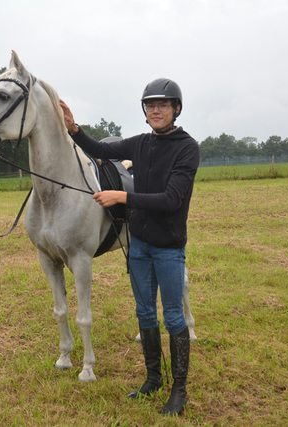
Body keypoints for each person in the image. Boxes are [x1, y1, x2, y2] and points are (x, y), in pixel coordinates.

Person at [60, 78, 199, 416]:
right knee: (145, 313)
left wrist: (122, 196)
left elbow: (171, 198)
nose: (156, 110)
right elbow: (102, 151)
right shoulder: (139, 144)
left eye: (163, 105)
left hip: (167, 247)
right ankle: (153, 379)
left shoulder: (186, 147)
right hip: (139, 247)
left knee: (173, 316)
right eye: (150, 105)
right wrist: (74, 128)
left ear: (176, 109)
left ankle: (178, 390)